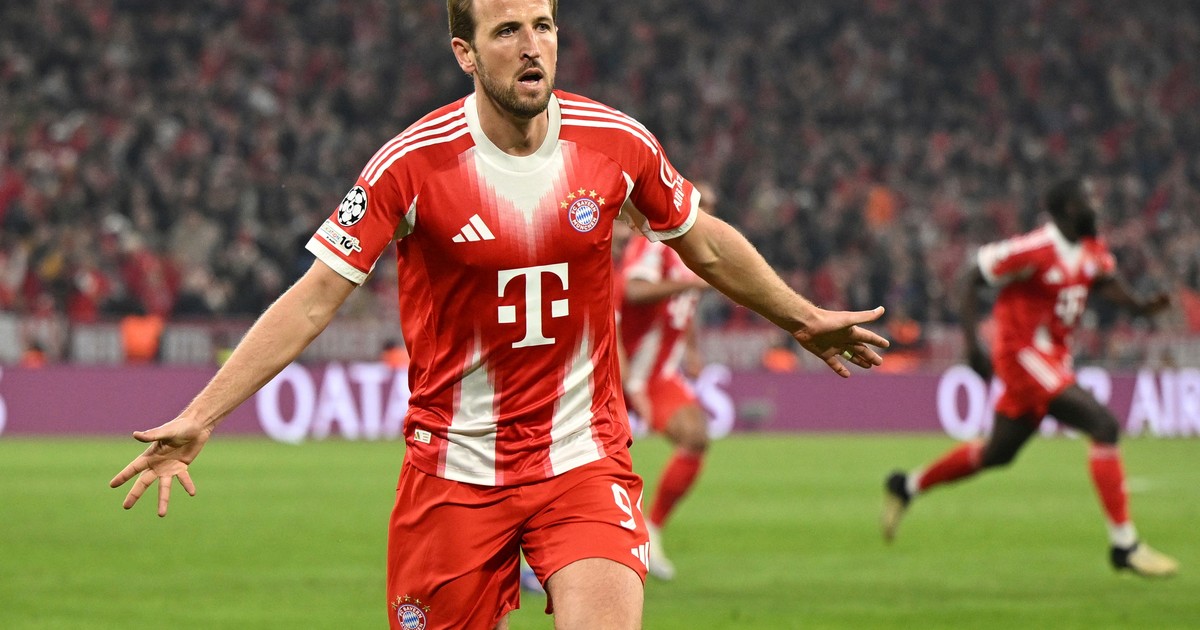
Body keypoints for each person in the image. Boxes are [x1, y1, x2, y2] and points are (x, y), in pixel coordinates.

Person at [109, 2, 890, 628]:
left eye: (543, 26)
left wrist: (799, 317)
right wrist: (203, 414)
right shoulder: (410, 166)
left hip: (582, 460)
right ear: (466, 53)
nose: (531, 46)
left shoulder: (615, 142)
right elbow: (315, 296)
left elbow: (705, 243)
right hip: (453, 474)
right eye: (507, 30)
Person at [881, 177, 1178, 578]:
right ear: (1070, 210)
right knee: (1103, 425)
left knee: (997, 454)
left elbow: (1104, 282)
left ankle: (907, 485)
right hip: (1022, 356)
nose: (1096, 208)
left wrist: (1140, 307)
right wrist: (972, 346)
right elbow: (970, 276)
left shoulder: (1091, 247)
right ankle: (1125, 545)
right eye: (1089, 202)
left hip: (1052, 360)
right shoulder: (1033, 249)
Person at [618, 181, 717, 581]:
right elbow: (633, 290)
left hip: (656, 375)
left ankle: (652, 530)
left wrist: (691, 349)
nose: (706, 215)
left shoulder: (696, 253)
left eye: (711, 208)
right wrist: (690, 283)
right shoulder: (655, 243)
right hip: (614, 367)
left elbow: (682, 309)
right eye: (701, 206)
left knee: (696, 436)